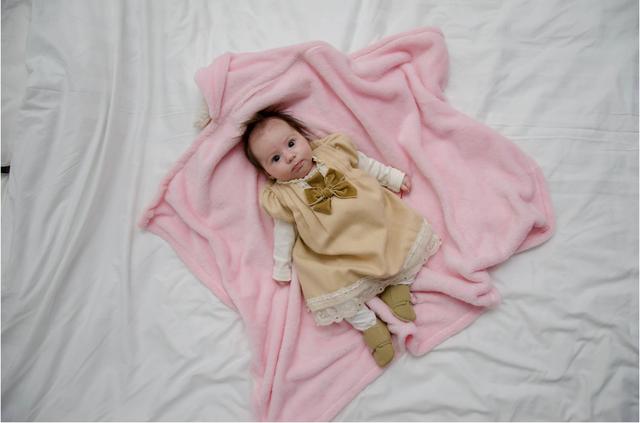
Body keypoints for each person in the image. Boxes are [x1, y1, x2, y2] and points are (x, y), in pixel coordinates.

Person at [240, 105, 441, 367]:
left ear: (303, 136)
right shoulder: (282, 196)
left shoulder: (332, 152)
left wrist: (391, 177)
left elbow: (366, 165)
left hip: (372, 222)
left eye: (291, 144)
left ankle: (399, 287)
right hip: (330, 251)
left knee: (398, 238)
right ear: (268, 173)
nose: (289, 157)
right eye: (275, 159)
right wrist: (281, 265)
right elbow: (284, 232)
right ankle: (368, 325)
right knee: (329, 284)